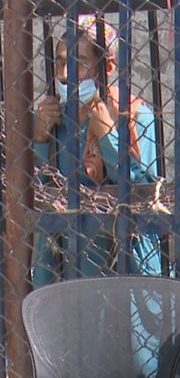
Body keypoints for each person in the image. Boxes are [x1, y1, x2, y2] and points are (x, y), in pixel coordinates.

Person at [33, 15, 163, 286]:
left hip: (125, 268)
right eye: (59, 62)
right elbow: (35, 193)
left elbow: (146, 192)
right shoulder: (53, 118)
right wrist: (41, 139)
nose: (64, 74)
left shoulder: (135, 115)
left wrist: (108, 136)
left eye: (78, 63)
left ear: (108, 66)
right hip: (66, 267)